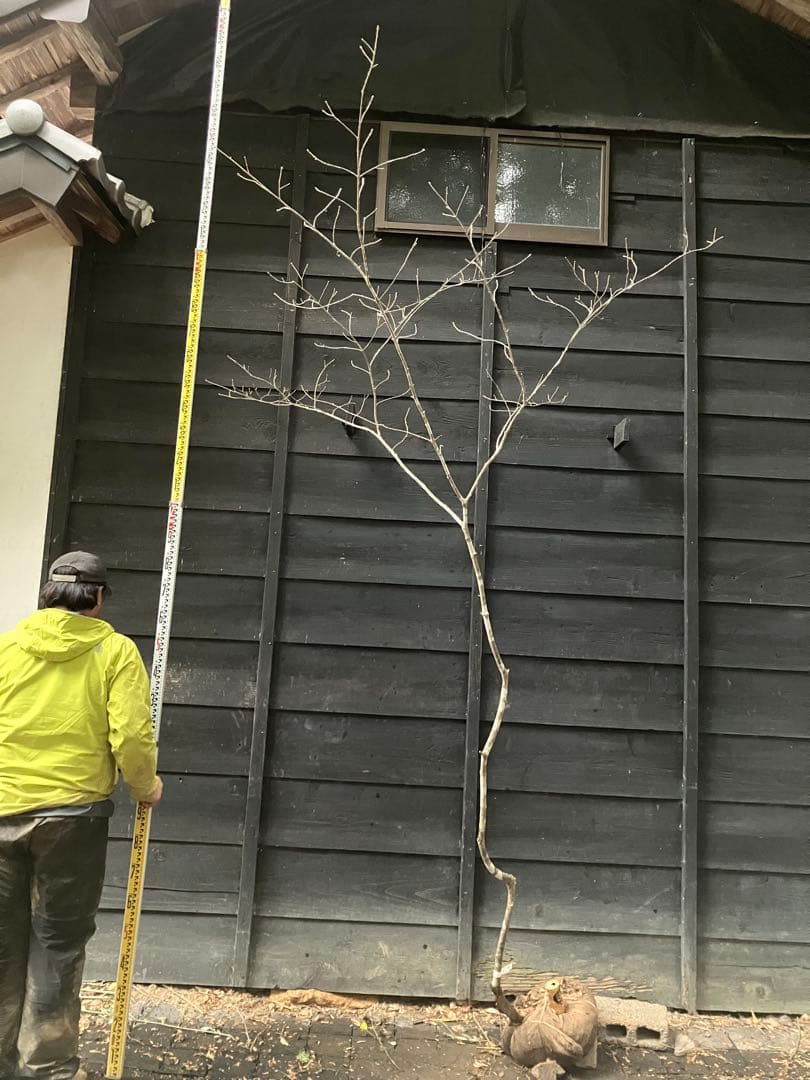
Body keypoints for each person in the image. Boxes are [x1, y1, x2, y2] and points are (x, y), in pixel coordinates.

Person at [0, 552, 162, 1080]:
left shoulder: (6, 647)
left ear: (48, 595)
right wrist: (145, 786)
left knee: (2, 943)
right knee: (58, 943)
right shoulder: (114, 652)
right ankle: (46, 1067)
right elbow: (131, 735)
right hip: (73, 820)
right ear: (97, 598)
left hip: (2, 812)